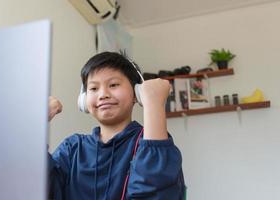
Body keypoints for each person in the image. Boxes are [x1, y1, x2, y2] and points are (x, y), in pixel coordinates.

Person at [48, 52, 185, 200]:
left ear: (136, 93)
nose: (103, 94)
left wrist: (154, 104)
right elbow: (38, 189)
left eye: (113, 85)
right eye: (93, 88)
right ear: (83, 100)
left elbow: (155, 193)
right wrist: (37, 123)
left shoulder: (150, 140)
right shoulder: (72, 149)